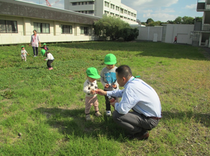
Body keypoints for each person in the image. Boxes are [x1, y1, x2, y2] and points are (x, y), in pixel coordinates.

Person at [96, 65, 162, 140]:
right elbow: (121, 92)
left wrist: (115, 104)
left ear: (123, 79)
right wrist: (105, 93)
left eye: (117, 79)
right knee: (121, 110)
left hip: (151, 120)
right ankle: (140, 127)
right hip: (152, 115)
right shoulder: (136, 82)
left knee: (116, 115)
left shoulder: (131, 89)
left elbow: (122, 110)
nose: (116, 81)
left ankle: (140, 133)